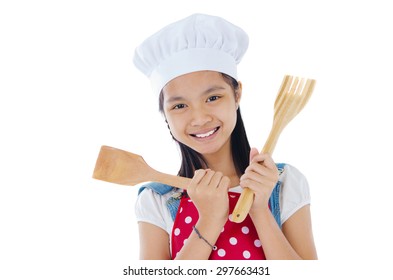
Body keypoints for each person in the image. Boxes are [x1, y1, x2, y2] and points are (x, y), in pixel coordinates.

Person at [133, 13, 317, 260]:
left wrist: (260, 209)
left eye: (212, 98)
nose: (199, 118)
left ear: (237, 94)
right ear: (164, 114)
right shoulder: (158, 199)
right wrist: (209, 220)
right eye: (179, 106)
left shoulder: (284, 183)